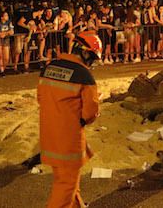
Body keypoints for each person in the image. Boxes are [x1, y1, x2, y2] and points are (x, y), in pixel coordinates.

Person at [38, 31, 101, 208]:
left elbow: (41, 98)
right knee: (66, 186)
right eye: (93, 58)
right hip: (69, 140)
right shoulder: (84, 75)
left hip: (49, 134)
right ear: (86, 52)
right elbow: (89, 113)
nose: (92, 63)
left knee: (66, 179)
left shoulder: (49, 67)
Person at [0, 11, 14, 77]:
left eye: (7, 15)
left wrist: (4, 33)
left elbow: (12, 32)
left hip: (6, 39)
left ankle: (3, 68)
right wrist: (2, 34)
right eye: (5, 15)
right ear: (2, 17)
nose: (7, 17)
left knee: (6, 57)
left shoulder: (9, 22)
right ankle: (1, 70)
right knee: (0, 55)